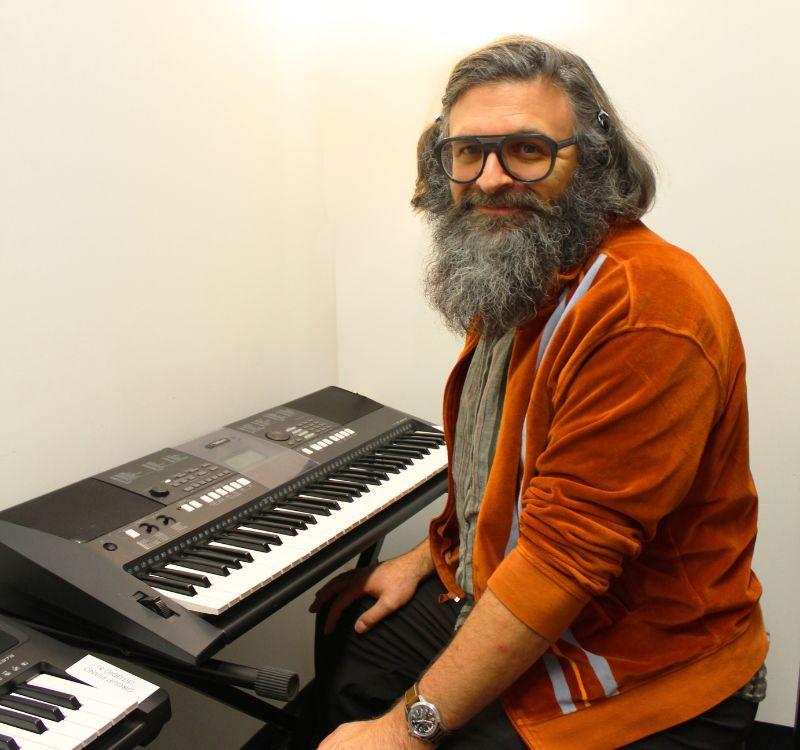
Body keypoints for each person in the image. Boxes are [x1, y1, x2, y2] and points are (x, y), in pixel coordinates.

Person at [310, 36, 768, 749]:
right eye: (468, 152)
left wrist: (405, 731)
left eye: (526, 150)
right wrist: (427, 558)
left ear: (590, 160)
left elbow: (565, 558)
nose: (491, 179)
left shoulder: (648, 305)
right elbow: (510, 478)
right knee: (350, 635)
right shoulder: (526, 271)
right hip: (541, 596)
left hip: (643, 664)